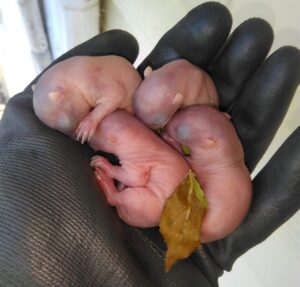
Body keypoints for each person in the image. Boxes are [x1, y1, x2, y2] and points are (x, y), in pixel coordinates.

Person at [0, 2, 299, 286]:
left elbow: (152, 165)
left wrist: (116, 170)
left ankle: (117, 197)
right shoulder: (203, 144)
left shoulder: (164, 154)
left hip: (199, 215)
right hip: (187, 203)